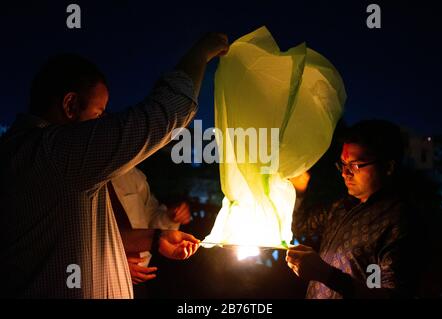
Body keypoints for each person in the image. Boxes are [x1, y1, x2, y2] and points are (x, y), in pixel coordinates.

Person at [0, 33, 229, 298]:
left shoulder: (21, 153)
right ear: (70, 105)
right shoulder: (57, 153)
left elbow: (83, 235)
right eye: (98, 115)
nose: (101, 124)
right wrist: (201, 52)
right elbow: (168, 111)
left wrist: (155, 238)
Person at [286, 120, 420, 298]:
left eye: (356, 165)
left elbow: (391, 296)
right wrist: (300, 191)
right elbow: (301, 225)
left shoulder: (399, 221)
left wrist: (326, 274)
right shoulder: (341, 207)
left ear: (388, 167)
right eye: (343, 164)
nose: (345, 173)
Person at [110, 167, 192, 285]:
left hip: (135, 280)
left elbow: (150, 219)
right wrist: (113, 264)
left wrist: (170, 218)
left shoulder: (133, 175)